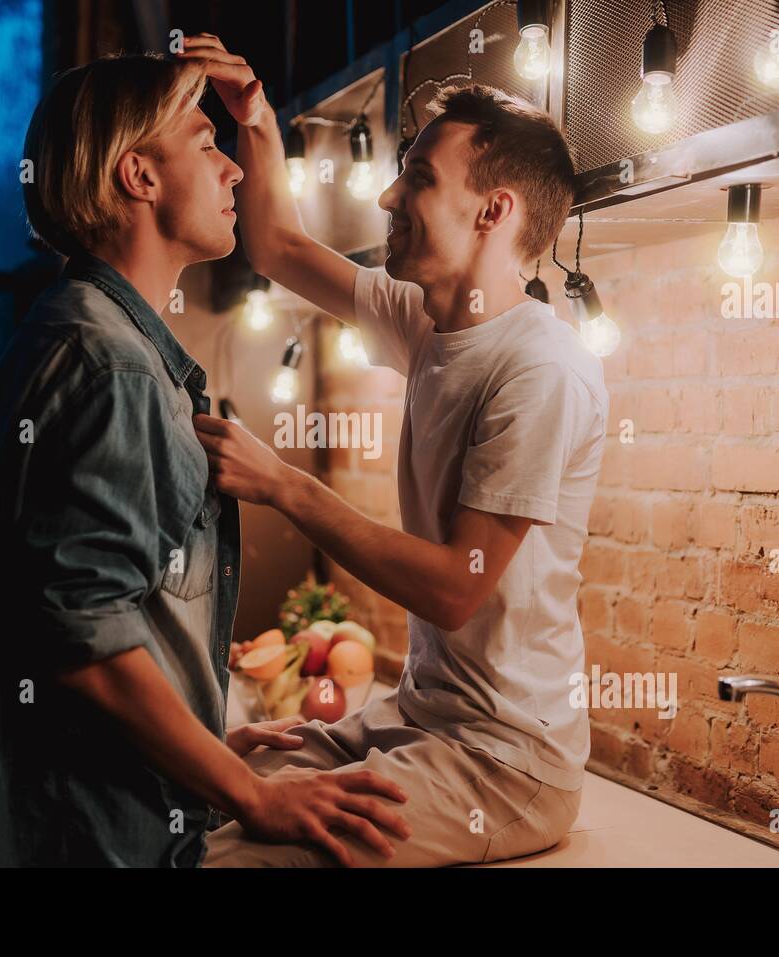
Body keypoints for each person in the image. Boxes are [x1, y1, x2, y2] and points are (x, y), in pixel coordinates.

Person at [0, 52, 408, 867]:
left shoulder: (79, 332)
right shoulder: (112, 366)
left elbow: (110, 614)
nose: (231, 168)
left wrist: (207, 730)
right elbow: (87, 642)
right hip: (88, 834)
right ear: (139, 176)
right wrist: (250, 790)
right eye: (204, 142)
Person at [180, 34, 608, 867]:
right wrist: (256, 118)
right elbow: (274, 247)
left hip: (506, 762)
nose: (386, 193)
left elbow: (457, 589)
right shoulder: (424, 315)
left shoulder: (541, 369)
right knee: (191, 801)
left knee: (231, 863)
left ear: (495, 211)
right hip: (418, 719)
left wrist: (285, 485)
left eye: (419, 177)